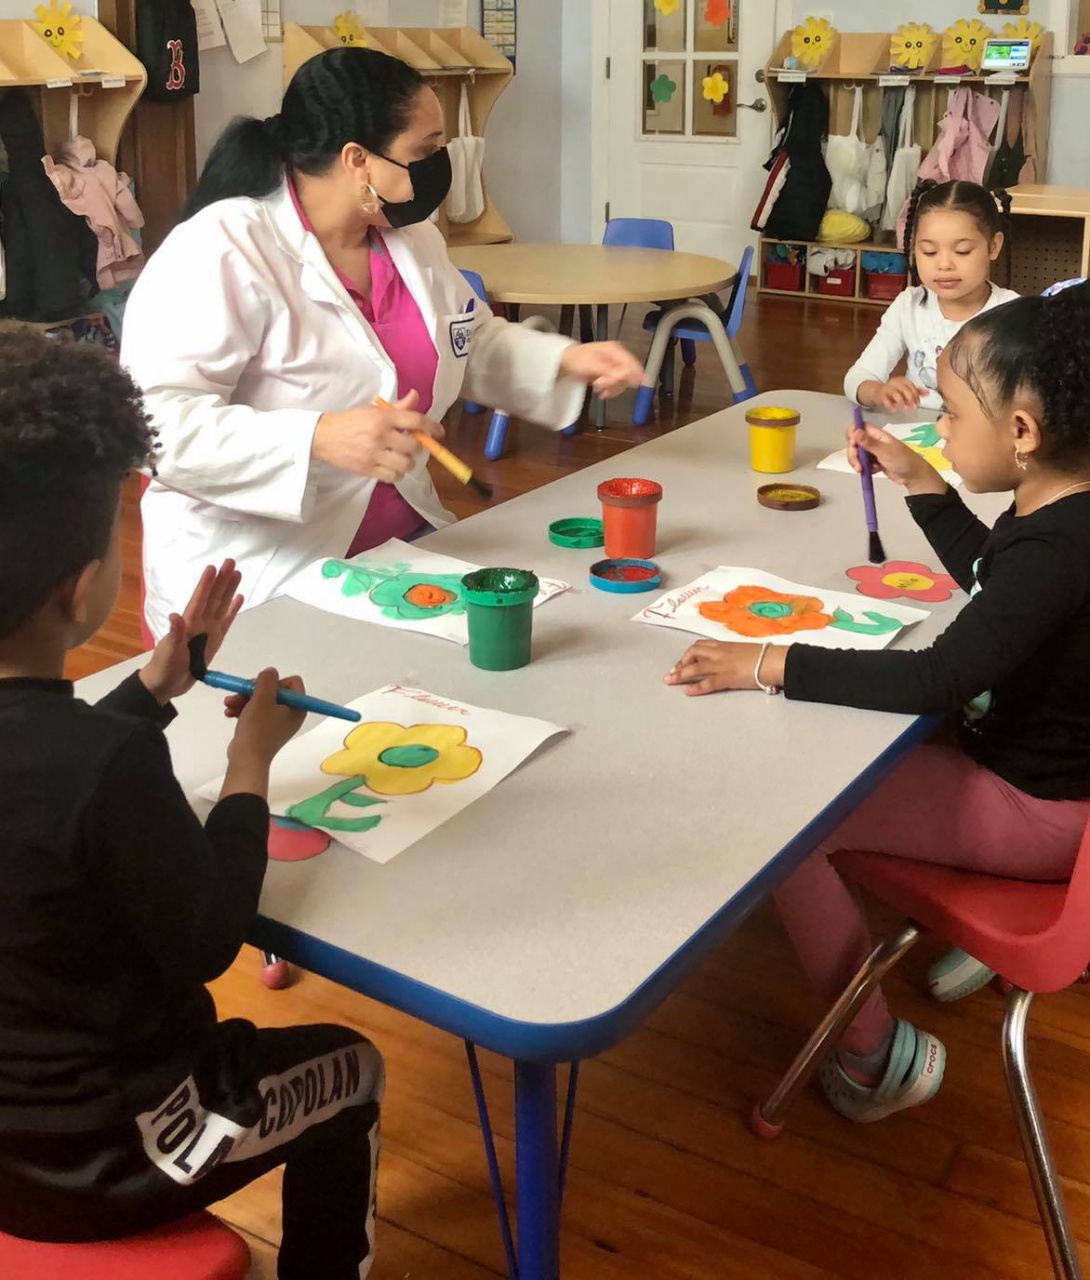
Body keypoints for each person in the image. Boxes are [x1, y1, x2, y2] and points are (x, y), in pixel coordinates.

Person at [0, 330, 383, 1280]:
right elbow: (210, 935)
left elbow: (40, 794)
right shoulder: (100, 765)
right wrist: (251, 763)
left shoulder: (84, 750)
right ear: (89, 589)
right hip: (118, 1151)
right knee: (357, 1068)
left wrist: (154, 690)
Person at [665, 285, 1090, 1120]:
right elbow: (996, 582)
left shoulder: (1056, 550)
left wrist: (773, 658)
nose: (941, 426)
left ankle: (870, 1058)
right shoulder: (1063, 515)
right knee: (836, 754)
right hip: (1046, 785)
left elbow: (935, 679)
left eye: (954, 416)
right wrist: (926, 488)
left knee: (789, 824)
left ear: (1024, 434)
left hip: (1040, 815)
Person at [122, 47, 644, 641]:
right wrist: (317, 438)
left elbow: (466, 339)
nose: (439, 165)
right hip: (259, 572)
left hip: (397, 555)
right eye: (425, 150)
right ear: (357, 160)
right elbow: (148, 424)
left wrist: (566, 359)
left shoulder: (408, 238)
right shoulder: (223, 248)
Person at [845, 180, 1020, 414]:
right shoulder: (909, 306)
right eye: (929, 252)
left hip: (977, 443)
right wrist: (878, 391)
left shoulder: (1012, 313)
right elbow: (857, 378)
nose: (944, 265)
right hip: (915, 434)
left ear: (993, 246)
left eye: (962, 251)